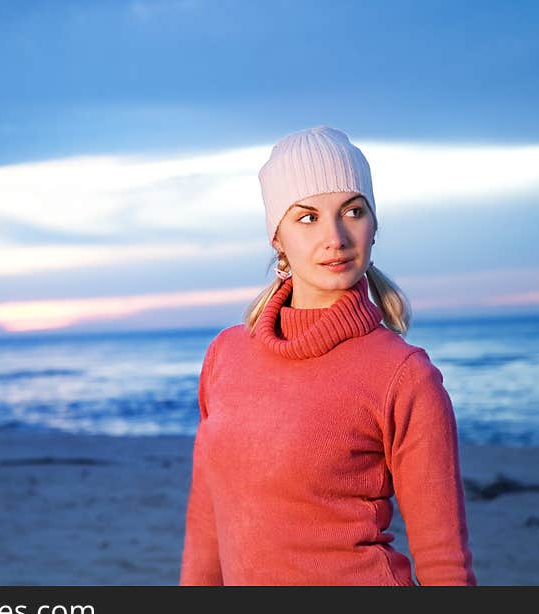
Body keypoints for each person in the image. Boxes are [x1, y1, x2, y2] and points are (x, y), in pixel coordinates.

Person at [179, 125, 477, 586]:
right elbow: (206, 521)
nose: (335, 236)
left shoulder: (404, 375)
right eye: (307, 217)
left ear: (374, 226)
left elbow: (445, 565)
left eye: (352, 212)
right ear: (276, 237)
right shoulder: (226, 355)